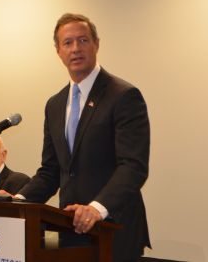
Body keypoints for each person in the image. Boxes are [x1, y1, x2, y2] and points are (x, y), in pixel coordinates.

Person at [15, 13, 151, 262]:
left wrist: (96, 209)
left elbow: (133, 167)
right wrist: (17, 201)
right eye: (67, 43)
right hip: (69, 230)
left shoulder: (124, 96)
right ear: (58, 51)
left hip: (114, 230)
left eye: (83, 40)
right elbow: (50, 171)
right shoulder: (54, 105)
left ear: (96, 44)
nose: (75, 48)